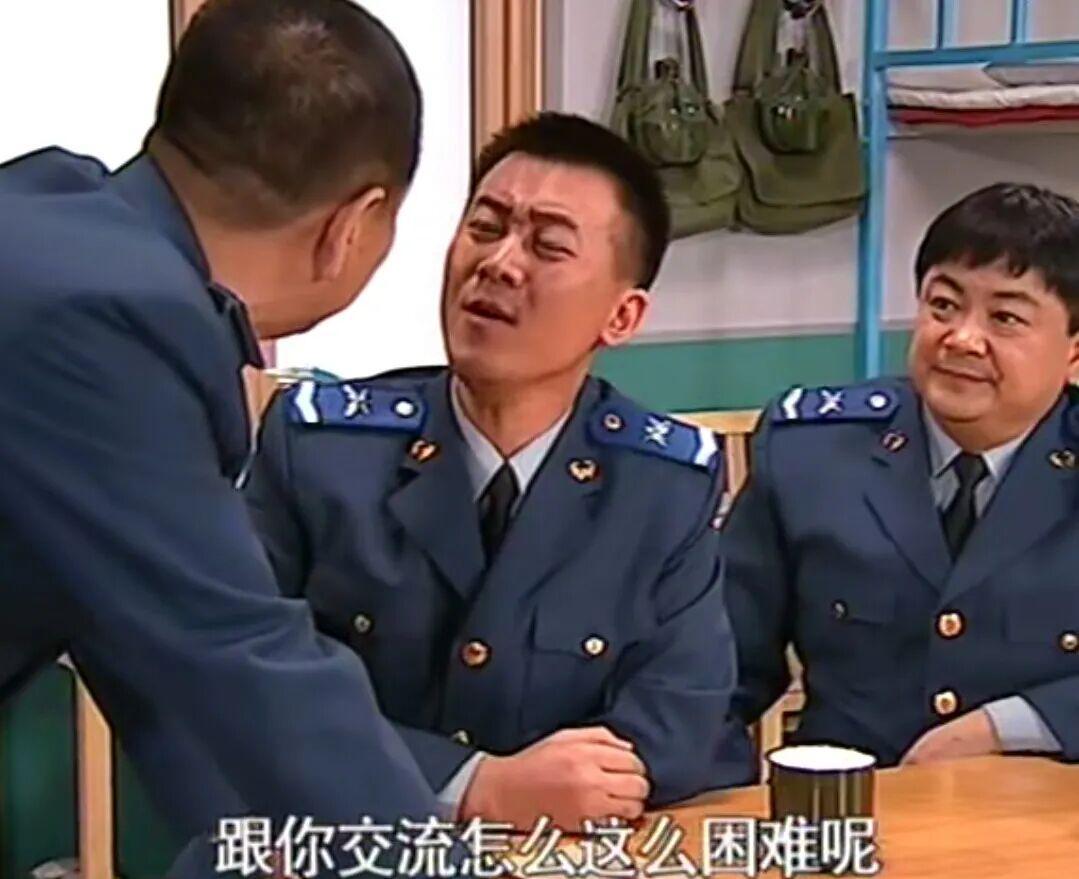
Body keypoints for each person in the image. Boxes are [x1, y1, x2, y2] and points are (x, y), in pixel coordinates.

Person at [0, 0, 439, 858]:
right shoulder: (112, 321)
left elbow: (149, 648)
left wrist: (255, 845)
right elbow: (236, 650)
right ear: (352, 225)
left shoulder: (53, 219)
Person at [245, 112, 752, 829]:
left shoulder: (665, 484)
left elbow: (680, 718)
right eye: (485, 227)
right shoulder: (319, 449)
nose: (499, 263)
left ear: (622, 316)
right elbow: (250, 681)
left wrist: (563, 795)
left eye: (548, 246)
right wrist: (469, 785)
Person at [725, 183, 1079, 769]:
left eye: (1005, 318)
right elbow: (718, 669)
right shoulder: (810, 453)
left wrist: (1010, 726)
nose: (962, 338)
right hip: (851, 805)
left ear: (1073, 352)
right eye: (943, 305)